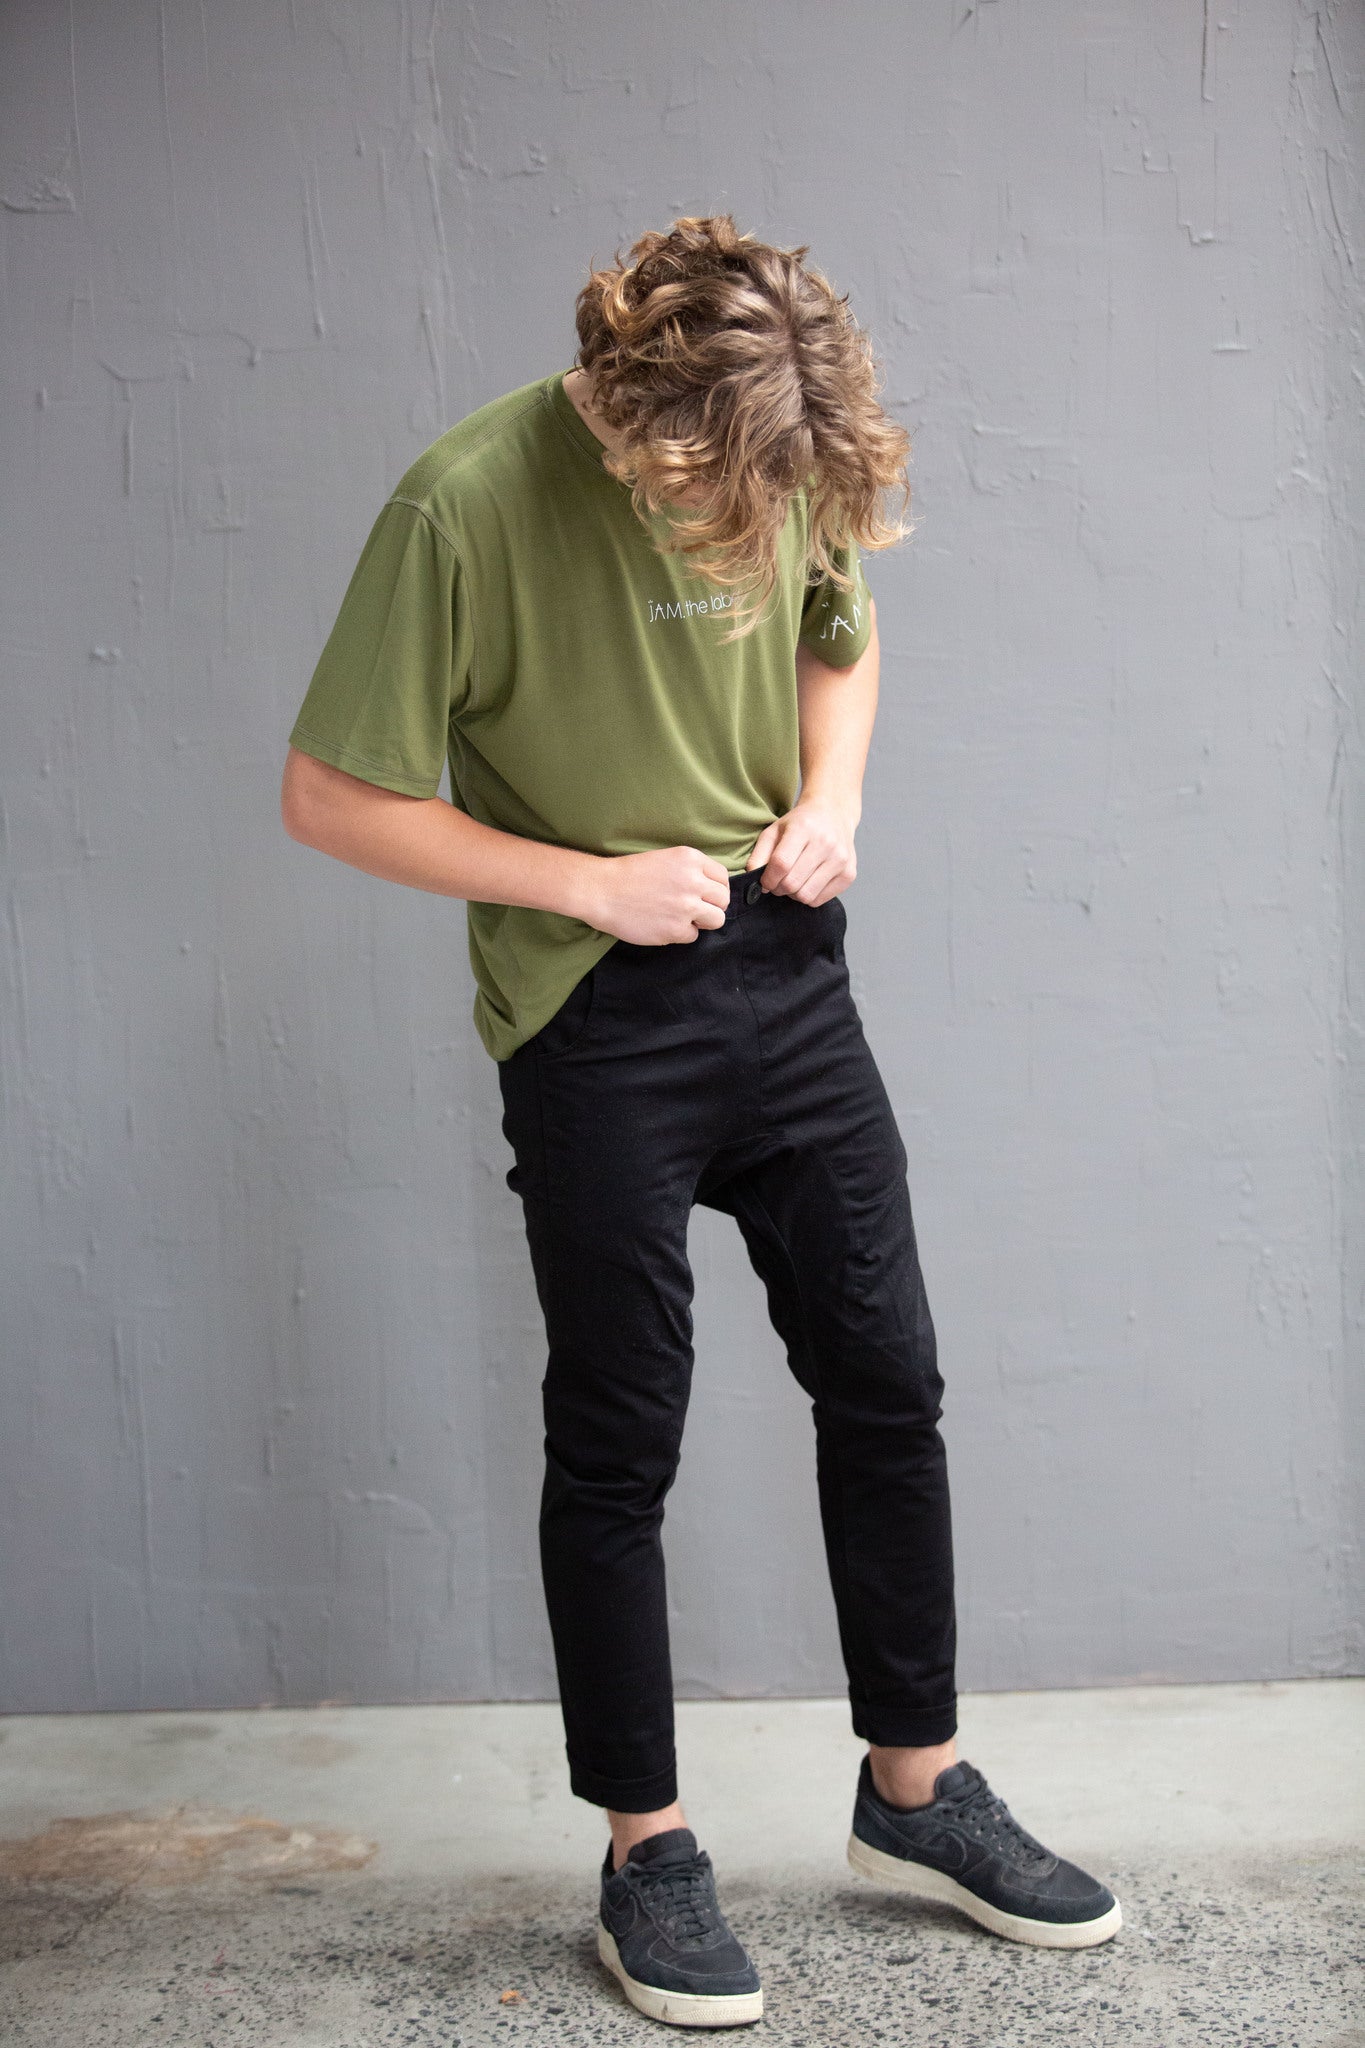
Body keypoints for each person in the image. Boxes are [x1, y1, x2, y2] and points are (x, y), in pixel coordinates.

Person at [281, 213, 1121, 2029]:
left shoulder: (768, 437)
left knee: (888, 1381)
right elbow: (329, 797)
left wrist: (832, 803)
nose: (747, 502)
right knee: (620, 1441)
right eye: (715, 476)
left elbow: (842, 637)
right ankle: (643, 1849)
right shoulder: (462, 502)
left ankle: (914, 1792)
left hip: (785, 970)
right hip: (596, 1013)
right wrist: (582, 886)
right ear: (642, 403)